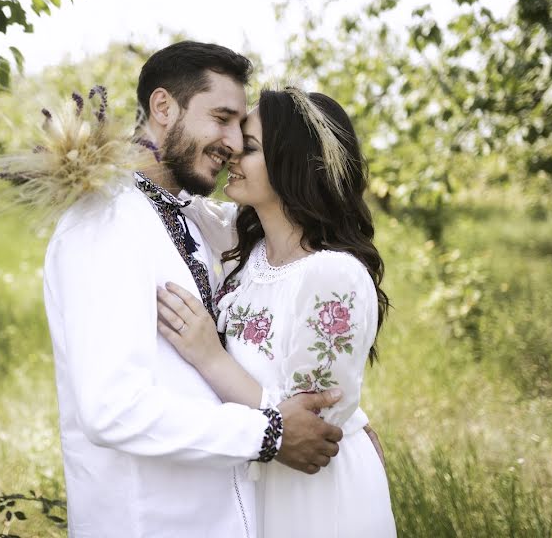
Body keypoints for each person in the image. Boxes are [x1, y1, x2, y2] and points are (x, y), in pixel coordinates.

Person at [42, 42, 348, 538]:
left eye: (241, 127)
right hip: (150, 522)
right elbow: (112, 410)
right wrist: (269, 433)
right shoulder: (102, 223)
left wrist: (347, 417)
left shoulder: (198, 220)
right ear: (164, 107)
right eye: (222, 118)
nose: (232, 141)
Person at [155, 87, 397, 537]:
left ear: (293, 164)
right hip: (256, 483)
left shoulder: (332, 277)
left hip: (316, 498)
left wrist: (210, 357)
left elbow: (311, 430)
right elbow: (167, 191)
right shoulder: (247, 249)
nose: (231, 153)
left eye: (248, 147)